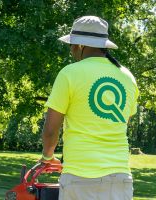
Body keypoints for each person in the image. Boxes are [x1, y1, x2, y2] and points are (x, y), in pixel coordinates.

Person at [39, 16, 139, 200]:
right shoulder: (128, 77)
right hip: (120, 179)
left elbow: (51, 130)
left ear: (80, 46)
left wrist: (47, 157)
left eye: (71, 45)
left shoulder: (69, 73)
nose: (71, 51)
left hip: (80, 178)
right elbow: (122, 123)